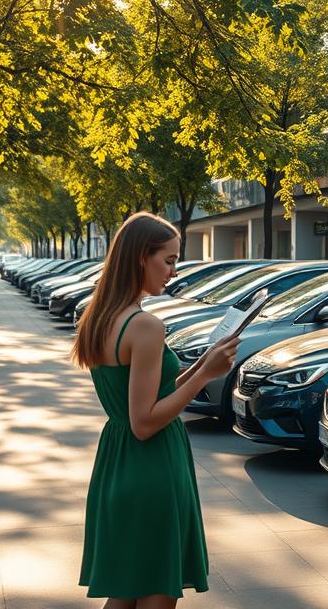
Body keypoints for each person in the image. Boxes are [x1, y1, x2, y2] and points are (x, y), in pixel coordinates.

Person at [73, 212, 238, 607]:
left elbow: (145, 398)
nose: (173, 271)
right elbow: (145, 422)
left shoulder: (99, 316)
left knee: (124, 594)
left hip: (118, 464)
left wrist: (203, 365)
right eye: (168, 260)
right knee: (156, 594)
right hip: (152, 468)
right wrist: (203, 378)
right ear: (139, 259)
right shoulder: (145, 326)